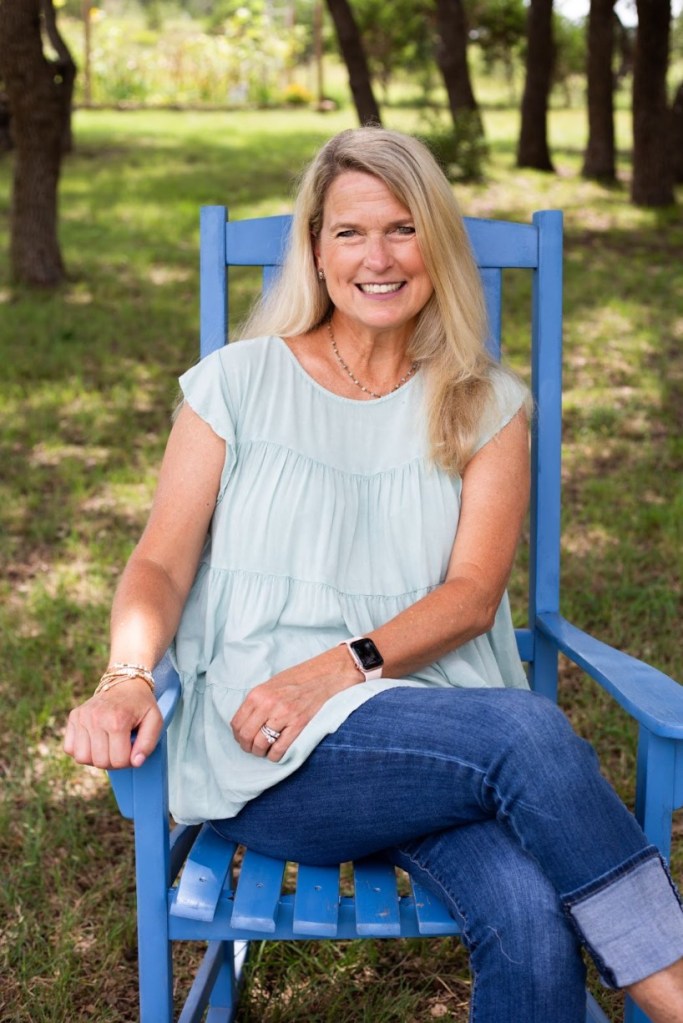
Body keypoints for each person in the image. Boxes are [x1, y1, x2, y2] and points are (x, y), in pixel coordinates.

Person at [64, 127, 683, 1023]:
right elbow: (160, 560)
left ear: (437, 243)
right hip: (272, 749)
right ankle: (670, 988)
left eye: (402, 228)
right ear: (315, 250)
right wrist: (126, 673)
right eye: (350, 232)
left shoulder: (483, 403)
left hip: (441, 739)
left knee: (528, 912)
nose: (378, 258)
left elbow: (471, 596)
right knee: (526, 731)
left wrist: (337, 668)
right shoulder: (236, 384)